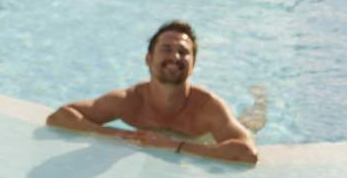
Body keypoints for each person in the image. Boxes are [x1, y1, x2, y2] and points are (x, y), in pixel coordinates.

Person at [46, 21, 260, 165]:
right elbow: (60, 116)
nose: (175, 57)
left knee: (250, 123)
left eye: (184, 52)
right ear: (148, 59)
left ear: (193, 65)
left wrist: (174, 146)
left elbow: (247, 153)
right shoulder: (129, 101)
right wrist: (120, 134)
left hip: (204, 138)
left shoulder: (208, 107)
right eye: (166, 49)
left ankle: (259, 102)